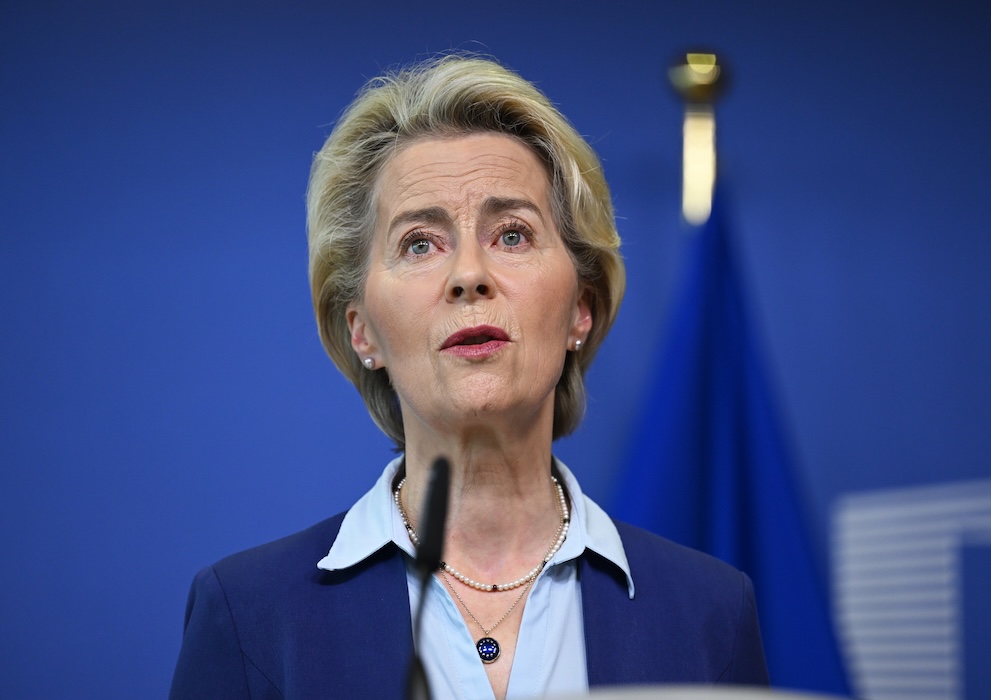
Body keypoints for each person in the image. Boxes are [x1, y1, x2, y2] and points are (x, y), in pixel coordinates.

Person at [170, 54, 768, 700]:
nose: (469, 275)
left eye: (512, 235)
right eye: (419, 243)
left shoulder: (711, 612)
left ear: (581, 309)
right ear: (362, 331)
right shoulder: (249, 618)